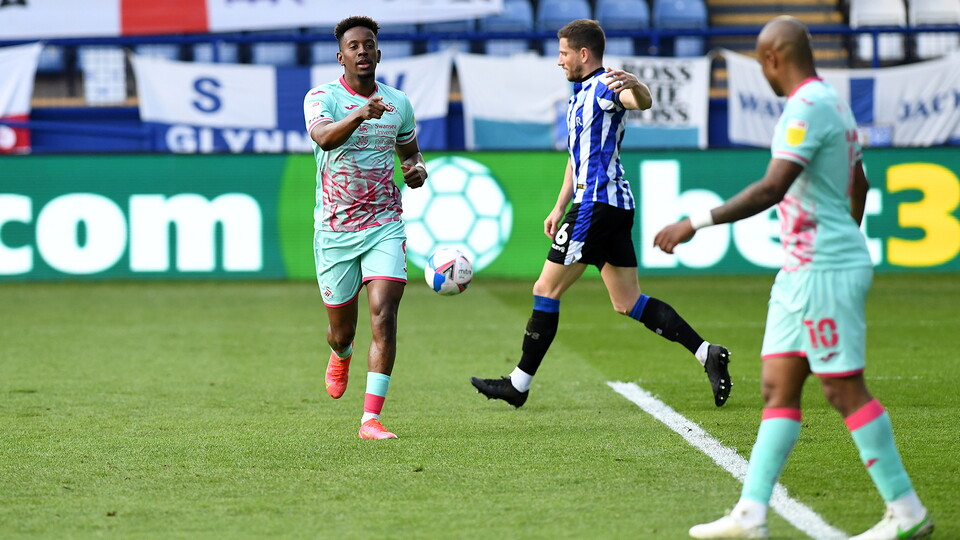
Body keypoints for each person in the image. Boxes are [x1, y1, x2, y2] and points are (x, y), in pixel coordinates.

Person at [654, 16, 933, 540]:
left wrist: (696, 221)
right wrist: (837, 237)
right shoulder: (829, 102)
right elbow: (861, 183)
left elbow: (773, 187)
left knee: (842, 388)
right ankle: (751, 514)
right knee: (777, 386)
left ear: (771, 60)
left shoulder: (808, 106)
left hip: (821, 268)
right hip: (804, 268)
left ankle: (908, 511)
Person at [470, 19, 733, 409]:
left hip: (596, 207)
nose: (559, 62)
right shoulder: (578, 97)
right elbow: (576, 160)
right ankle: (706, 352)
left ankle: (518, 385)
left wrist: (636, 84)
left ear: (583, 54)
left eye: (563, 54)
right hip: (608, 206)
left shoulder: (606, 88)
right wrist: (560, 205)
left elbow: (641, 102)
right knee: (627, 301)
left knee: (545, 289)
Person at [302, 15, 427, 440]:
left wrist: (416, 170)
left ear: (378, 52)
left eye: (368, 44)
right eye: (353, 46)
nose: (362, 51)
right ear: (341, 57)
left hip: (384, 224)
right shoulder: (321, 97)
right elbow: (324, 138)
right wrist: (359, 114)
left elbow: (411, 153)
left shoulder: (398, 103)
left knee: (385, 315)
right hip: (335, 230)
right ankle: (341, 354)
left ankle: (370, 419)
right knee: (343, 330)